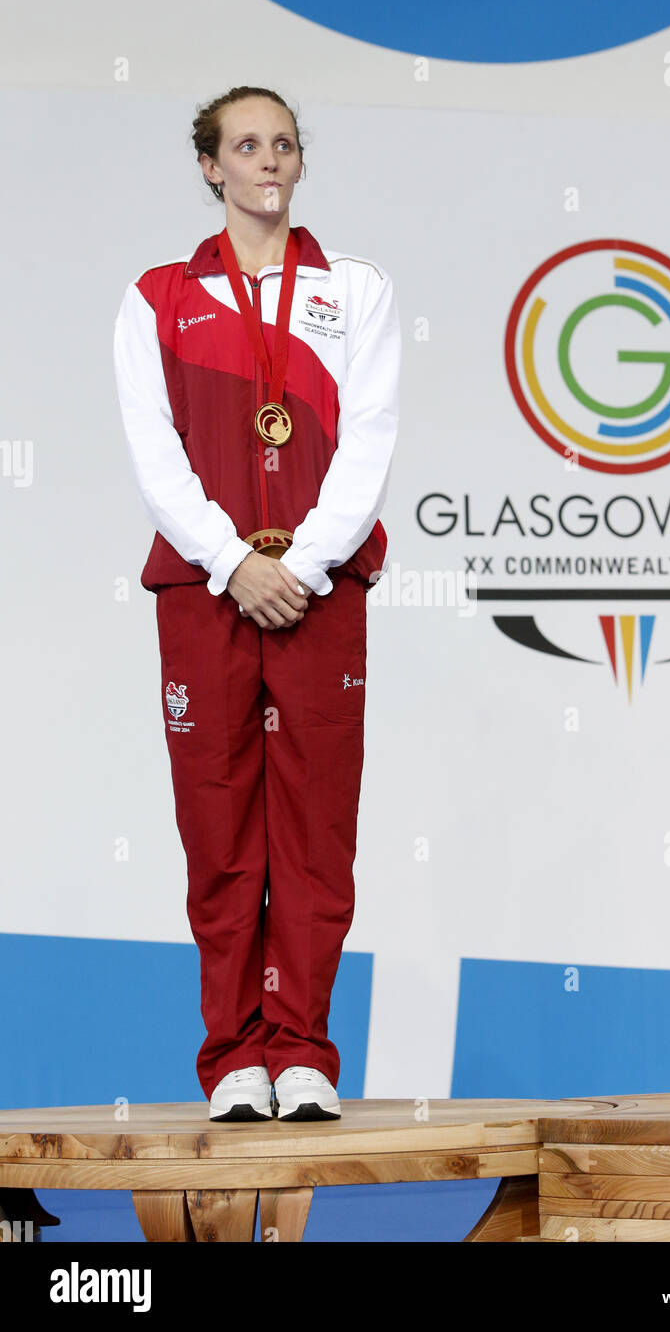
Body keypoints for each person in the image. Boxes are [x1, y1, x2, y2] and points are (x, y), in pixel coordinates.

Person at [112, 84, 401, 1122]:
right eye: (246, 144)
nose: (268, 160)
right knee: (221, 831)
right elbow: (155, 454)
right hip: (206, 592)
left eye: (283, 142)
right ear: (210, 167)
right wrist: (235, 562)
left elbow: (367, 438)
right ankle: (235, 1054)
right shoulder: (156, 297)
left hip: (320, 593)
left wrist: (306, 562)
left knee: (316, 833)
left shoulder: (354, 289)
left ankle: (305, 1053)